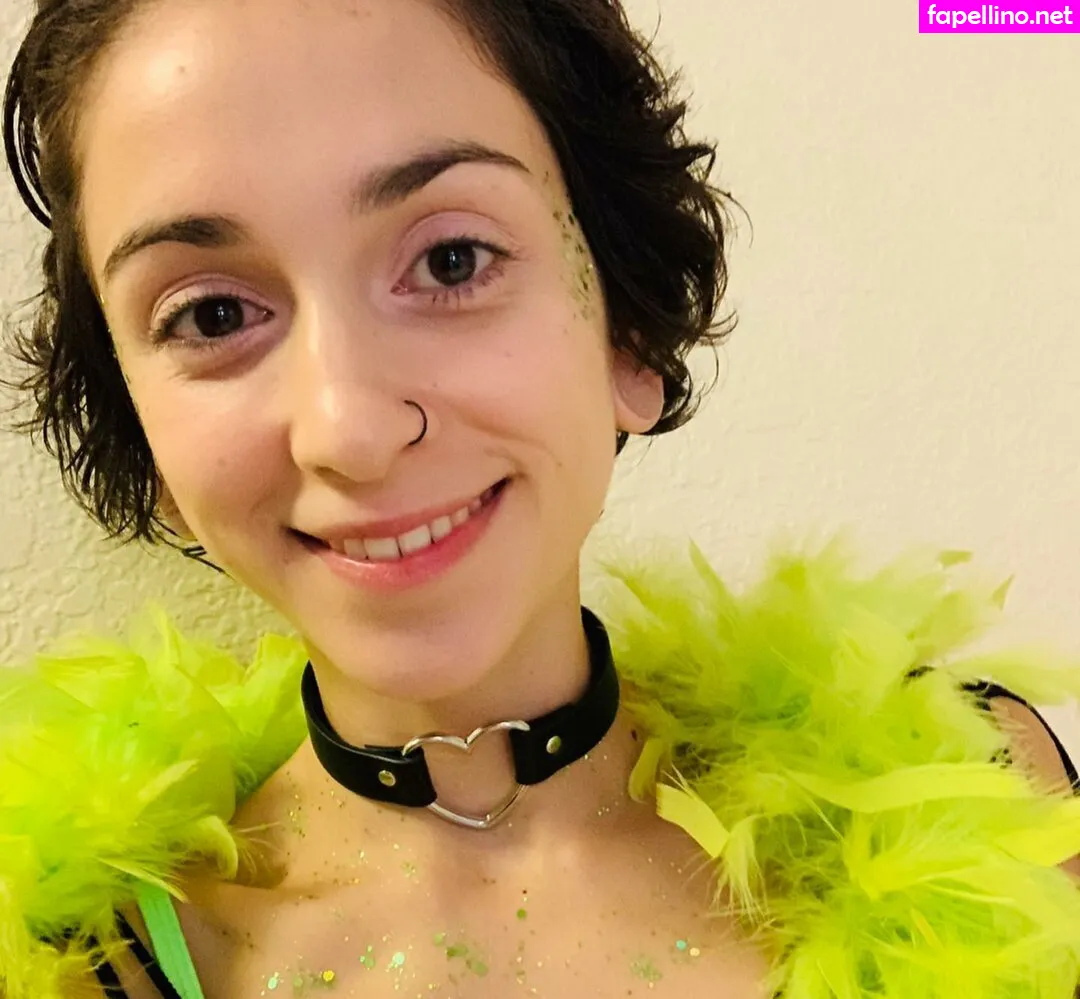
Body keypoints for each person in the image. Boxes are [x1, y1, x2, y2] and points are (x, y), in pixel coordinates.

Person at [3, 1, 1079, 997]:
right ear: (147, 441)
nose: (349, 430)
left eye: (452, 259)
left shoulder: (979, 786)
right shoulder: (94, 964)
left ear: (628, 330)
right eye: (212, 317)